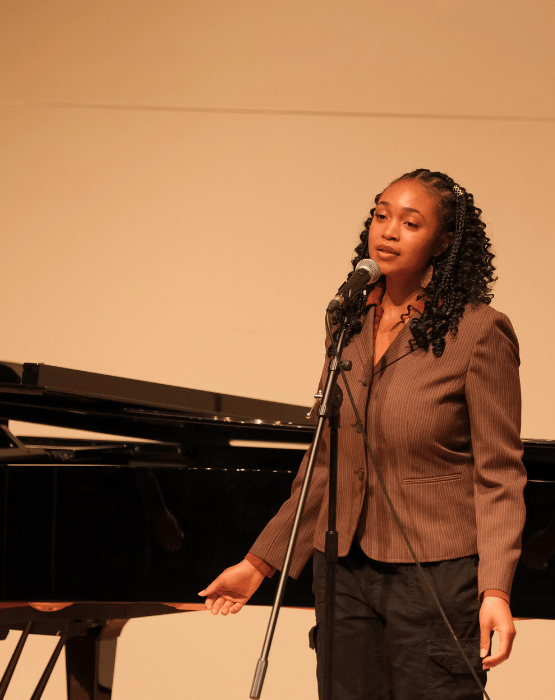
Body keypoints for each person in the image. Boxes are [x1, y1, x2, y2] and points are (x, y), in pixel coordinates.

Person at [199, 169, 526, 700]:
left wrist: (496, 590)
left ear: (444, 242)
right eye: (381, 215)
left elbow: (499, 475)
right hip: (343, 568)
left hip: (435, 573)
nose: (389, 231)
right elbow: (326, 462)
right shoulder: (347, 319)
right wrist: (259, 565)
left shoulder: (479, 331)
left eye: (410, 222)